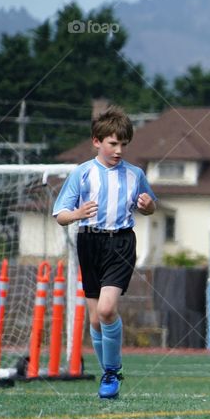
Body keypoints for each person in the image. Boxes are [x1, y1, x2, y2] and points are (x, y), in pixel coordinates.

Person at [52, 106, 157, 399]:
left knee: (107, 309)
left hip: (121, 243)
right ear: (97, 142)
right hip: (89, 242)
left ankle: (112, 372)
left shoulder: (135, 175)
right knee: (96, 320)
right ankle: (108, 373)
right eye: (113, 143)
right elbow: (60, 214)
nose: (119, 149)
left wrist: (149, 207)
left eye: (123, 144)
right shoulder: (82, 173)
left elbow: (150, 207)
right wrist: (76, 214)